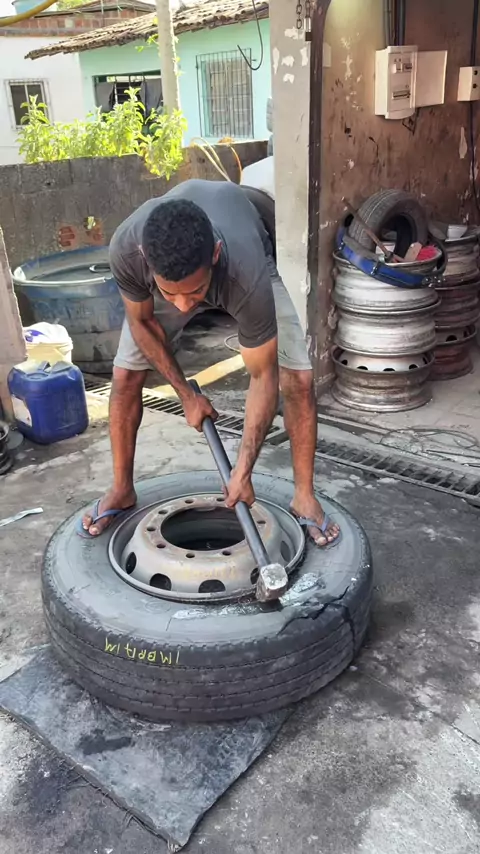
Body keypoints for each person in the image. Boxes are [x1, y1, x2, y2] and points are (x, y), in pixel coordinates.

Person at [80, 179, 340, 547]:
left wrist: (243, 471)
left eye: (196, 292)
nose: (185, 306)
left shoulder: (244, 274)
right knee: (124, 376)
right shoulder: (127, 249)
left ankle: (304, 497)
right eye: (169, 292)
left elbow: (263, 375)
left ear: (215, 254)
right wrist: (186, 395)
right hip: (182, 250)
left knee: (297, 379)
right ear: (147, 260)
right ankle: (122, 489)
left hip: (248, 245)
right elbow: (142, 322)